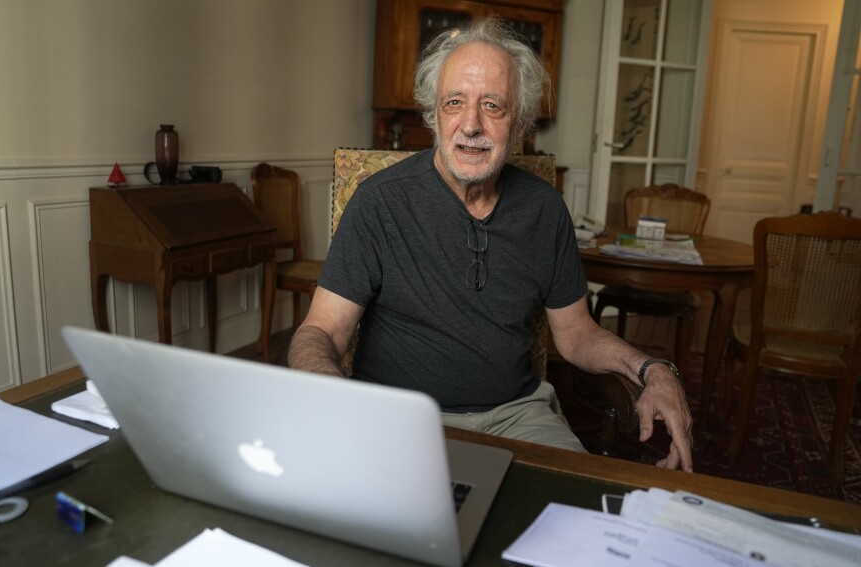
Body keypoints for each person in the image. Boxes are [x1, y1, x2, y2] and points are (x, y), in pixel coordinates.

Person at [289, 16, 693, 471]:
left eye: (493, 106)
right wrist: (331, 395)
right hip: (402, 420)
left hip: (519, 416)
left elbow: (577, 334)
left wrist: (651, 369)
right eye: (454, 103)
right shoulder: (379, 202)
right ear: (434, 114)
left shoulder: (545, 209)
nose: (471, 125)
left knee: (580, 516)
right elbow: (319, 332)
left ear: (519, 122)